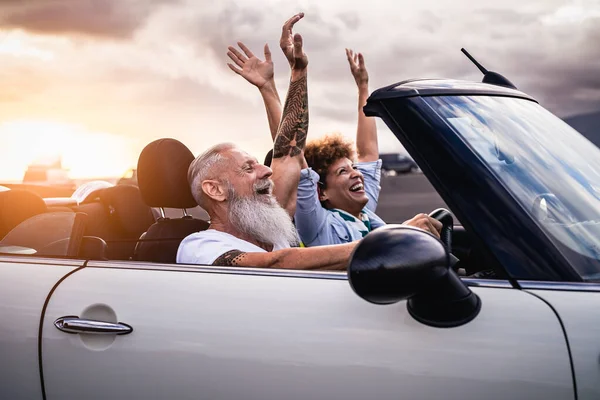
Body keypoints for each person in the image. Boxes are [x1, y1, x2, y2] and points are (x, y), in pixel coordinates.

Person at [226, 18, 441, 246]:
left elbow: (368, 153)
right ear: (322, 193)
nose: (356, 174)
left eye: (352, 168)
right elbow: (291, 150)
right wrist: (273, 86)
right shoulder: (317, 223)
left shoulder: (365, 211)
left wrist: (363, 87)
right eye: (342, 172)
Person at [177, 14, 357, 270]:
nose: (267, 169)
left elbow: (290, 153)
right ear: (215, 189)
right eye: (248, 168)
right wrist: (381, 243)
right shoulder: (200, 247)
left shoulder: (272, 232)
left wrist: (297, 72)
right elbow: (277, 264)